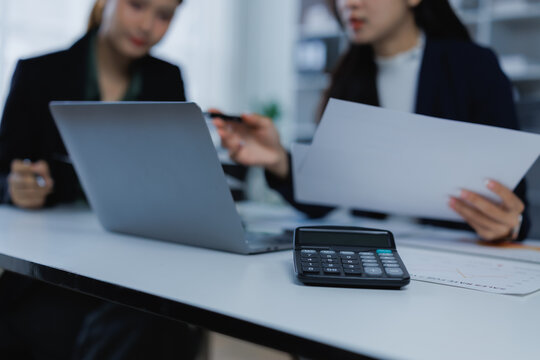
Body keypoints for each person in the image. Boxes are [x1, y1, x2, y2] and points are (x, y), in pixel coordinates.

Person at [212, 0, 530, 243]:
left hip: (455, 255)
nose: (348, 3)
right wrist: (279, 160)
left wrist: (509, 225)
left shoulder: (473, 67)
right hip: (375, 252)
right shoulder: (349, 77)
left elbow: (514, 200)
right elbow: (327, 194)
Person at [0, 0, 203, 358]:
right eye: (137, 5)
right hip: (52, 269)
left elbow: (179, 178)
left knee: (154, 327)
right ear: (104, 4)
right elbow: (3, 171)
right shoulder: (37, 73)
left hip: (137, 268)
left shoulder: (167, 79)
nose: (146, 25)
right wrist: (14, 187)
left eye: (164, 16)